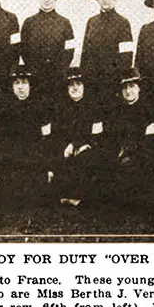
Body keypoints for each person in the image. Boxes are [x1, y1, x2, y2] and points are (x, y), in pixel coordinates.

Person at [0, 64, 54, 209]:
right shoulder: (3, 111)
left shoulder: (41, 109)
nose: (20, 87)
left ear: (30, 85)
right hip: (12, 159)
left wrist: (49, 168)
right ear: (12, 87)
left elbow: (47, 140)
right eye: (16, 83)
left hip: (35, 159)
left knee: (38, 187)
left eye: (24, 83)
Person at [105, 67, 154, 213]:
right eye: (125, 87)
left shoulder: (150, 110)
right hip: (120, 156)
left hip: (142, 156)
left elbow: (152, 143)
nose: (128, 91)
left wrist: (130, 153)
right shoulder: (116, 112)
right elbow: (112, 138)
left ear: (139, 89)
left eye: (132, 86)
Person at [52, 69, 108, 208]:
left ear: (84, 86)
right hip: (66, 148)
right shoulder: (61, 109)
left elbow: (97, 135)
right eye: (71, 85)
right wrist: (66, 146)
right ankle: (63, 195)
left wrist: (83, 145)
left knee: (85, 159)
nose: (75, 88)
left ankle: (78, 197)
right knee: (59, 158)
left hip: (88, 147)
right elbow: (57, 134)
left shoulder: (94, 108)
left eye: (78, 84)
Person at [20, 0, 75, 103]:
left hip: (57, 79)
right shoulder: (29, 23)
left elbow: (70, 51)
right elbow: (23, 49)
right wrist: (34, 70)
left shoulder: (65, 23)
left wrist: (58, 71)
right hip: (35, 78)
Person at [81, 0, 134, 107]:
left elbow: (126, 57)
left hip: (113, 85)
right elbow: (85, 54)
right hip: (93, 84)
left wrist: (115, 81)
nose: (105, 0)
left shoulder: (123, 23)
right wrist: (86, 79)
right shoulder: (91, 22)